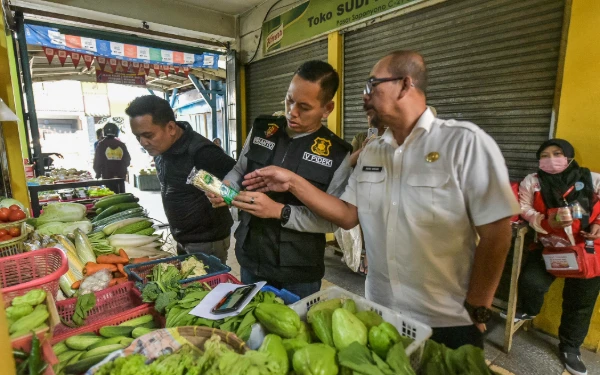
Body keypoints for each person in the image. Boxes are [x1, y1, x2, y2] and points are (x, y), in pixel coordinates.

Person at [242, 51, 520, 349]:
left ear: (405, 85)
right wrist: (294, 183)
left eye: (373, 85)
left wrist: (477, 309)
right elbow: (347, 216)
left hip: (448, 319)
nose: (365, 96)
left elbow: (497, 234)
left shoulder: (464, 142)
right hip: (379, 312)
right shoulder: (372, 153)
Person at [208, 60, 353, 298]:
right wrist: (225, 187)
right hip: (251, 257)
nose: (292, 112)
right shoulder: (263, 128)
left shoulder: (337, 153)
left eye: (304, 107)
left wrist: (279, 211)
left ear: (327, 108)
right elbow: (239, 170)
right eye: (289, 100)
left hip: (299, 270)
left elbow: (331, 221)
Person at [517, 139, 600, 375]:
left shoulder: (593, 179)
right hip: (551, 246)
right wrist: (544, 221)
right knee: (531, 282)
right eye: (545, 154)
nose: (551, 159)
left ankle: (570, 348)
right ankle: (530, 310)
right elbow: (525, 208)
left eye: (557, 153)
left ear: (570, 157)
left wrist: (598, 224)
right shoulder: (532, 182)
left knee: (580, 303)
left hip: (587, 249)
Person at [125, 95, 236, 263]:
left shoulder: (202, 152)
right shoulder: (162, 150)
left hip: (207, 242)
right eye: (137, 136)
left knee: (206, 288)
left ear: (170, 127)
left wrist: (227, 196)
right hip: (183, 238)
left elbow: (239, 180)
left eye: (148, 135)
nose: (143, 142)